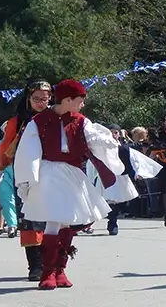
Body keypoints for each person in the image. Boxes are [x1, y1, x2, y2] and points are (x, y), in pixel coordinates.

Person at [14, 79, 121, 290]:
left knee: (66, 223)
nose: (82, 105)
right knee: (54, 220)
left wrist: (107, 141)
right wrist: (28, 179)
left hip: (72, 175)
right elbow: (29, 151)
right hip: (49, 174)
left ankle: (59, 269)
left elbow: (92, 139)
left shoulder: (81, 121)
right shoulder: (39, 120)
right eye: (80, 101)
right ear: (68, 99)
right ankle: (47, 272)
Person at [0, 80, 53, 281]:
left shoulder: (56, 118)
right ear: (28, 99)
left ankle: (52, 264)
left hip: (53, 172)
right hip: (25, 174)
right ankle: (35, 266)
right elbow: (6, 146)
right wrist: (0, 168)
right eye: (36, 99)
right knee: (29, 220)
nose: (41, 103)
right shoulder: (17, 122)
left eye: (45, 99)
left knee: (52, 219)